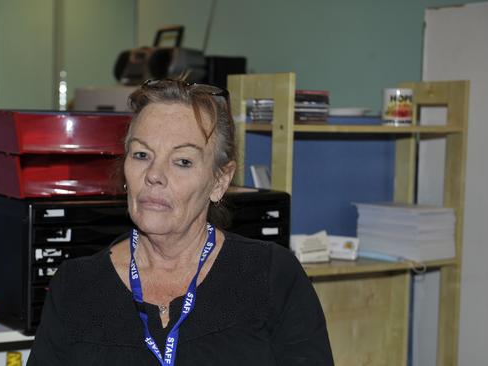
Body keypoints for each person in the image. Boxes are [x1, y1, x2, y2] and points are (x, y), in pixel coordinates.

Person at [27, 79, 334, 365]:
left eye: (183, 161)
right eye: (142, 154)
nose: (154, 175)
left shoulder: (272, 277)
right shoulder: (76, 287)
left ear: (219, 181)